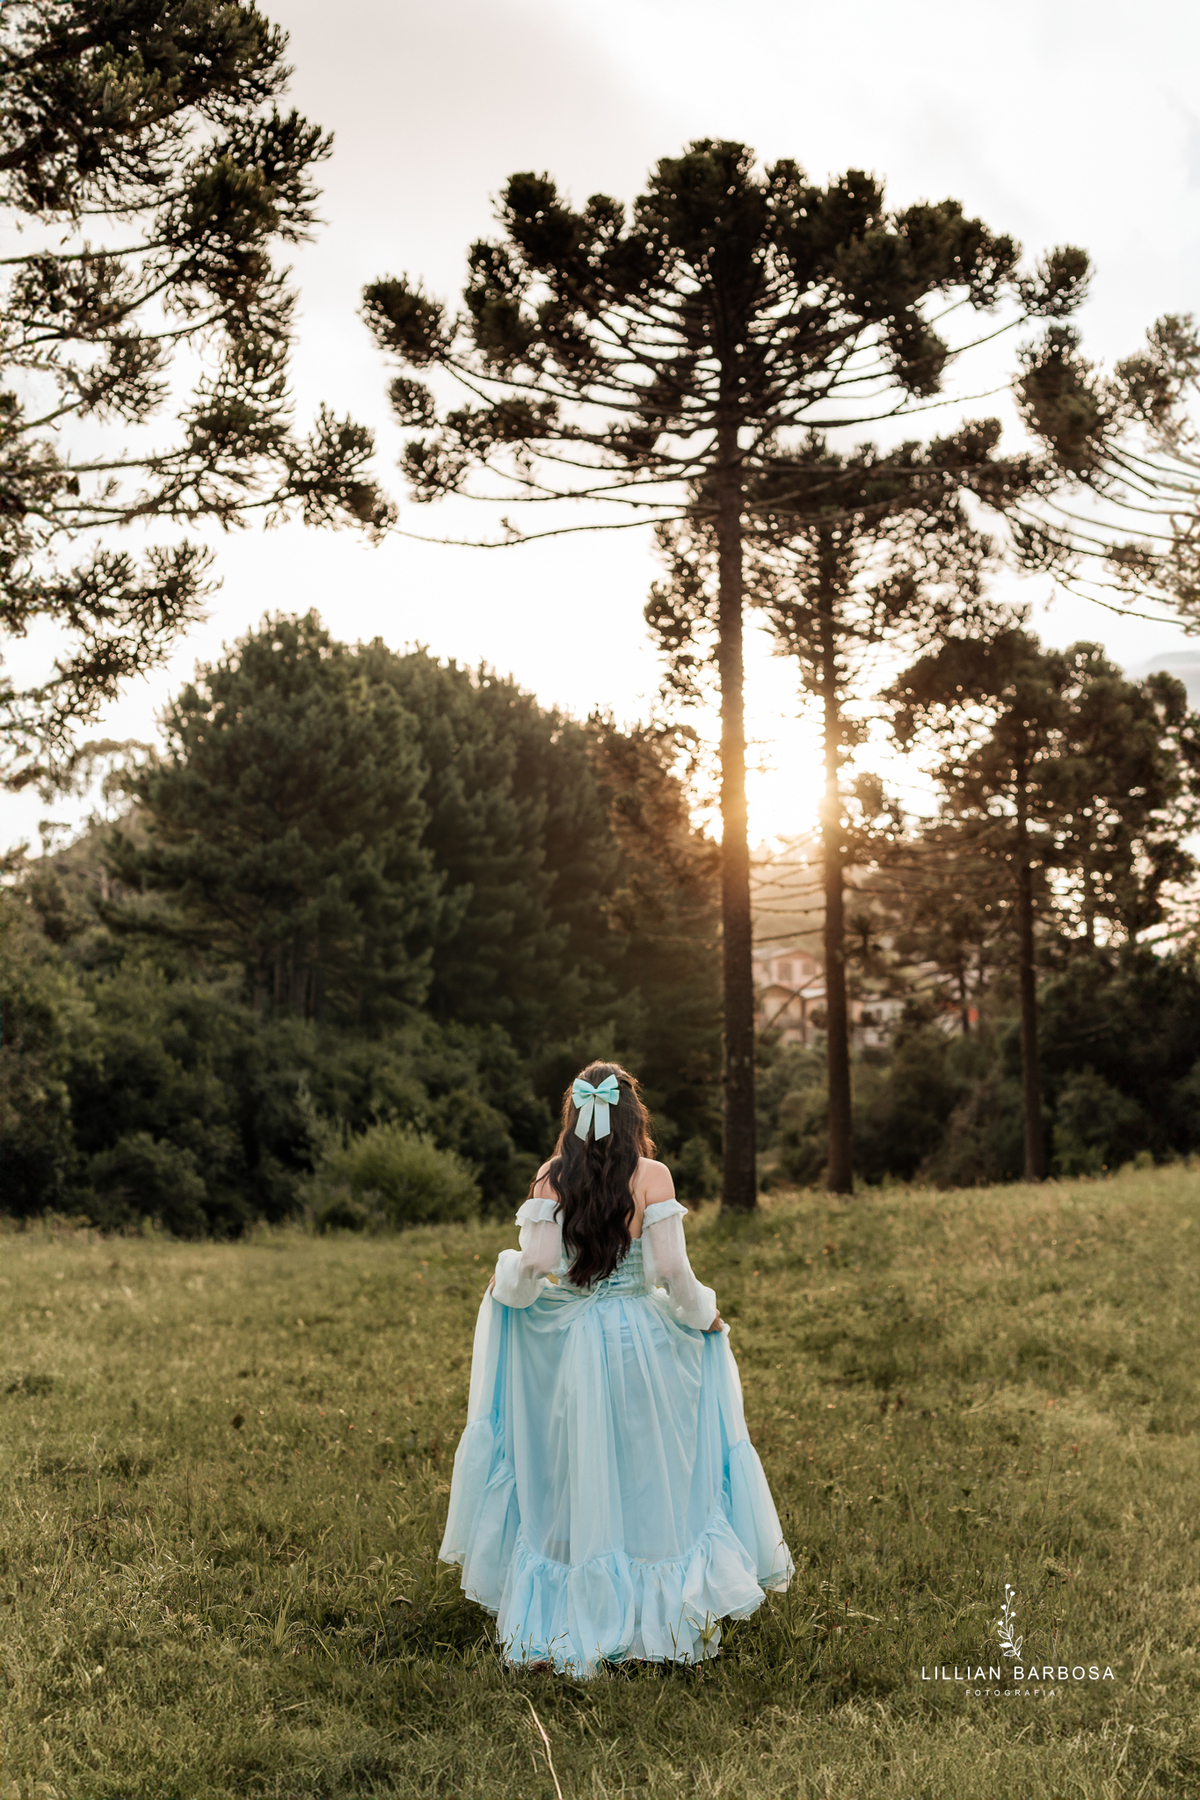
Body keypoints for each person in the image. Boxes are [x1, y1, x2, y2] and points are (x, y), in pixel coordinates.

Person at [439, 1060, 794, 1675]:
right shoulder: (652, 1175)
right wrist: (705, 1315)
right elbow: (674, 1276)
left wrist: (507, 1277)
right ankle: (651, 1616)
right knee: (646, 1467)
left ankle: (574, 1612)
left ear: (573, 1112)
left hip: (573, 1339)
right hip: (640, 1337)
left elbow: (540, 1263)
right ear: (633, 1115)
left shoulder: (551, 1177)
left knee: (578, 1468)